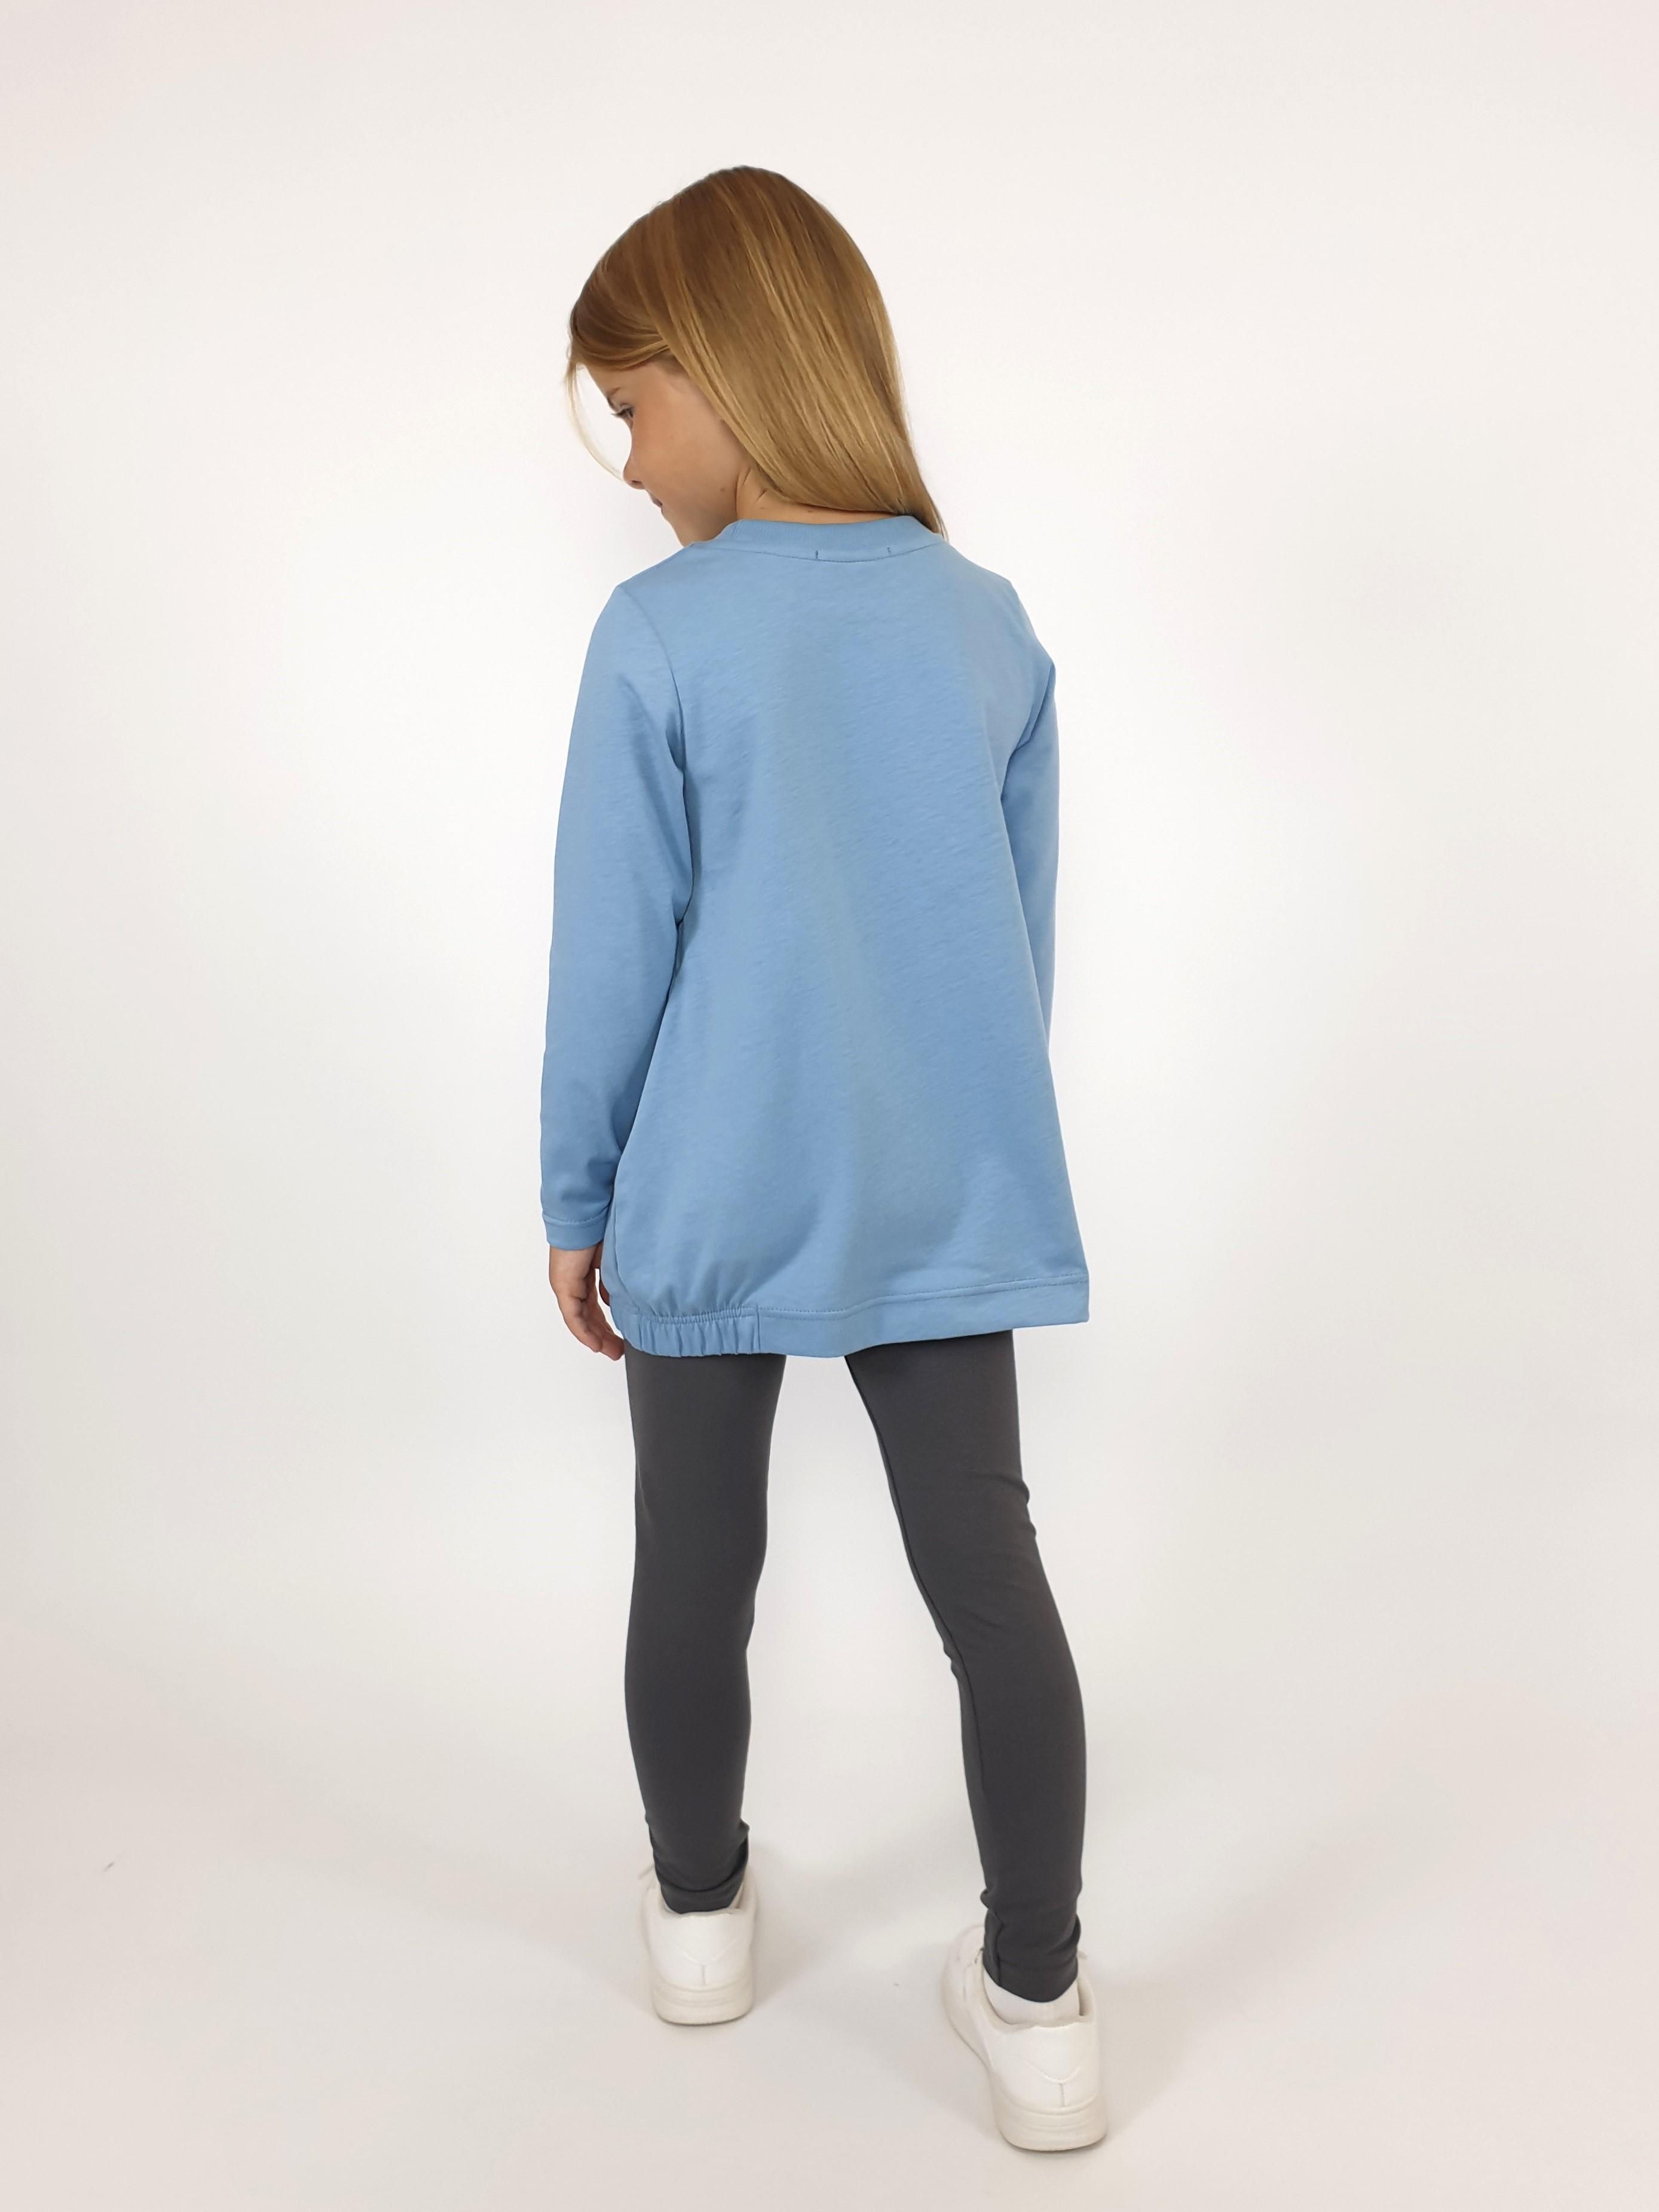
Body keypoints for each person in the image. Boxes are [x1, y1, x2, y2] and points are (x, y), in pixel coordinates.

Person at [539, 166, 1105, 2153]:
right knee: (991, 1580)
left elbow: (615, 950)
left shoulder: (659, 635)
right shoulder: (986, 624)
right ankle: (1040, 2003)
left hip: (707, 1190)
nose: (628, 465)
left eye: (633, 406)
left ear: (731, 368)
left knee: (695, 1569)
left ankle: (700, 1921)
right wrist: (952, 1149)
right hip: (942, 1190)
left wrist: (581, 1200)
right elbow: (1011, 950)